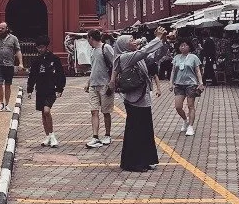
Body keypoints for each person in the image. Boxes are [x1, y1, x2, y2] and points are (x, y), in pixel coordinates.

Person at [112, 27, 168, 172]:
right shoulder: (125, 57)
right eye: (131, 40)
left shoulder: (134, 56)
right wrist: (157, 38)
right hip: (134, 100)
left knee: (145, 130)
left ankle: (146, 160)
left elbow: (155, 56)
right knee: (136, 131)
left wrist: (164, 40)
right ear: (124, 45)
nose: (135, 41)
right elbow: (144, 51)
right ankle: (133, 163)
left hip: (143, 98)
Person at [27, 35, 66, 146]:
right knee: (43, 114)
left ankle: (52, 135)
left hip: (50, 89)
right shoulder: (36, 61)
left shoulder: (54, 59)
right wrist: (29, 89)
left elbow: (60, 74)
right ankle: (47, 136)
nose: (40, 49)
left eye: (42, 47)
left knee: (46, 111)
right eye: (38, 48)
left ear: (46, 47)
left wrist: (60, 88)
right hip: (40, 89)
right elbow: (32, 75)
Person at [84, 30, 115, 148]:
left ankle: (107, 135)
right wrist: (89, 82)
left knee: (106, 112)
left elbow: (115, 65)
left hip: (105, 85)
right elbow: (94, 68)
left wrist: (112, 82)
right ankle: (95, 137)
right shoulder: (92, 51)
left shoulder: (105, 48)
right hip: (94, 85)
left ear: (91, 38)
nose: (88, 41)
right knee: (94, 111)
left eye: (88, 38)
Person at [171, 38, 204, 136]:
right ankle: (185, 120)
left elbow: (198, 71)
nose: (183, 47)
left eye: (185, 45)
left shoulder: (194, 57)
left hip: (191, 84)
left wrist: (200, 82)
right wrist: (171, 83)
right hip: (179, 84)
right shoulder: (176, 57)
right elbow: (173, 71)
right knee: (178, 106)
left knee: (191, 106)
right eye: (181, 45)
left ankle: (190, 126)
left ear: (189, 46)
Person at [0, 22, 23, 111]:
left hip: (9, 65)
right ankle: (1, 103)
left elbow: (18, 51)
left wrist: (21, 63)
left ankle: (7, 104)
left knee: (8, 85)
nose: (0, 30)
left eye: (2, 28)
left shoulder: (13, 39)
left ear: (7, 29)